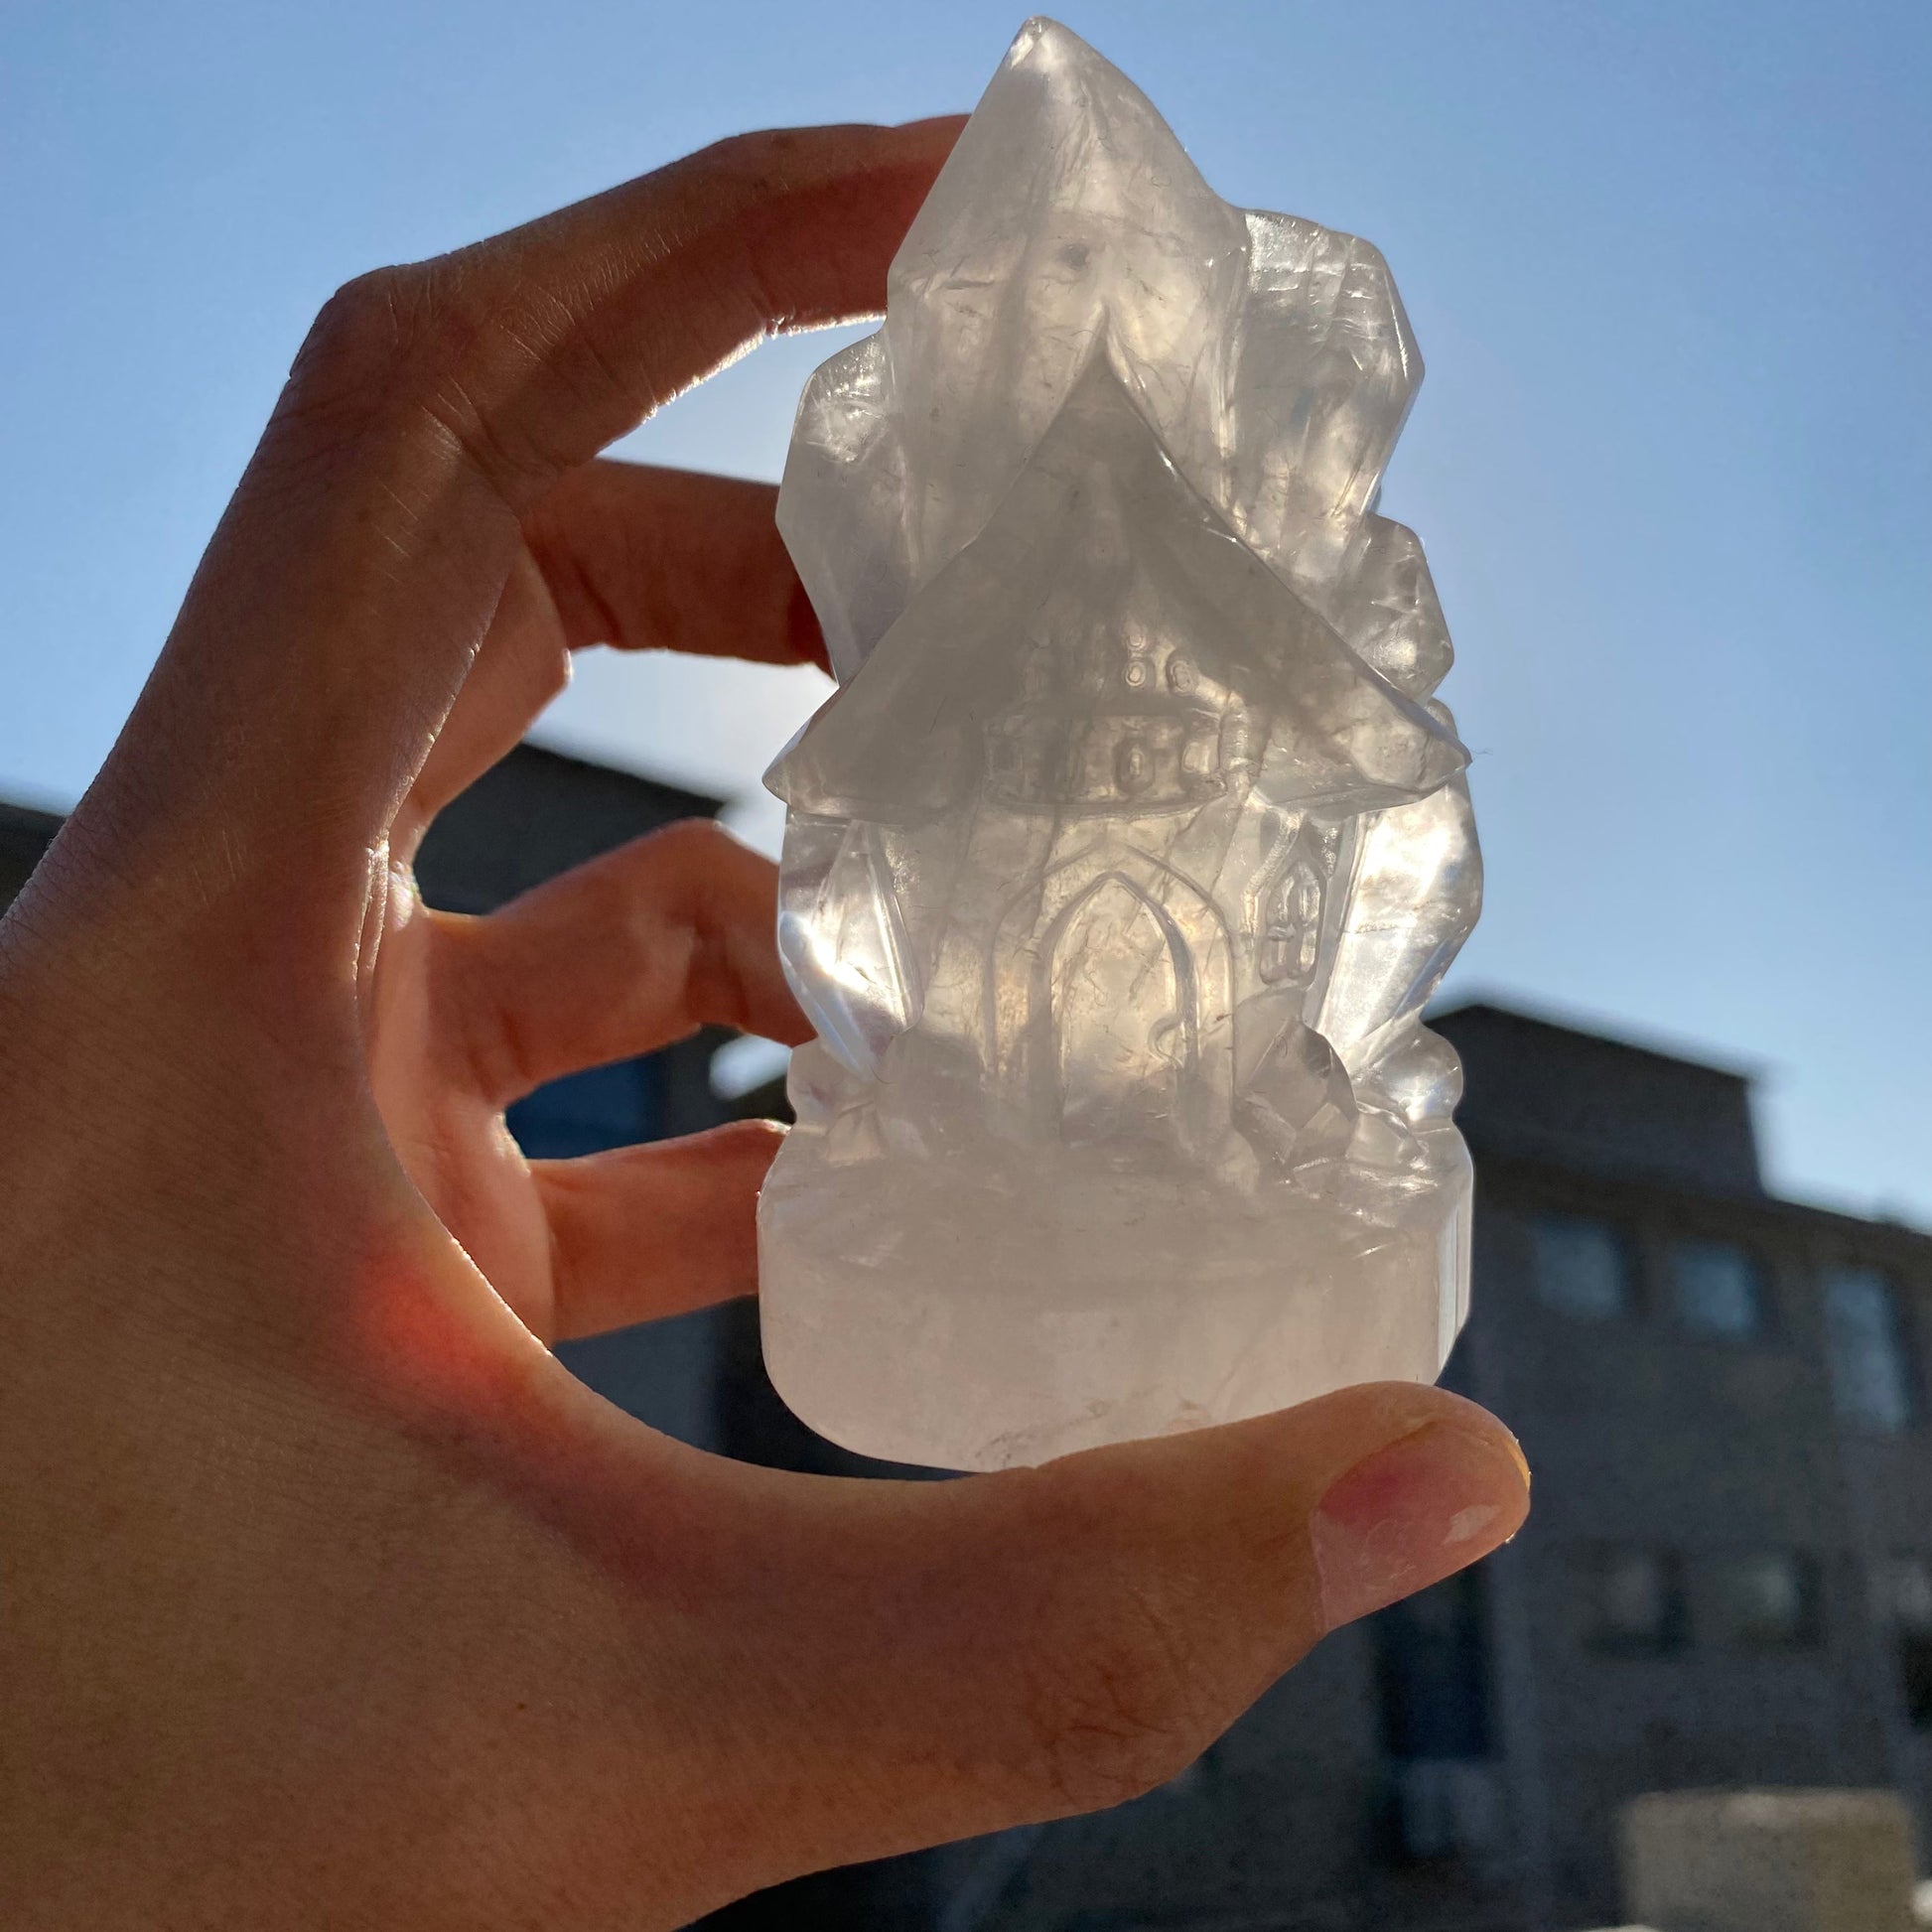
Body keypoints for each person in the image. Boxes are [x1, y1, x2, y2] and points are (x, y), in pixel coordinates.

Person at [0, 119, 1529, 1929]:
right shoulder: (973, 605)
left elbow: (1375, 797)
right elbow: (868, 824)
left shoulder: (1272, 598)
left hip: (1219, 1092)